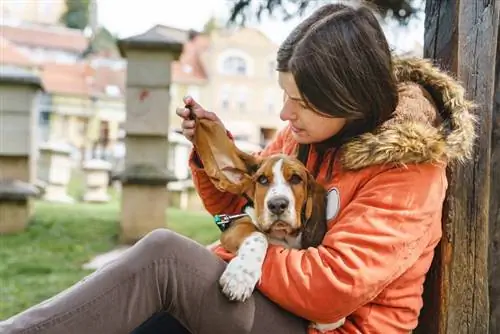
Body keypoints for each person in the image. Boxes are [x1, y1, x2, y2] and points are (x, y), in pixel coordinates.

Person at [0, 2, 475, 334]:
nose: (286, 114)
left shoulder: (408, 170)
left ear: (348, 100)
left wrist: (243, 251)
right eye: (284, 96)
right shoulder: (308, 137)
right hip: (278, 305)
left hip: (328, 327)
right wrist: (216, 154)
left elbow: (333, 288)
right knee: (144, 318)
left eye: (302, 102)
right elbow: (237, 211)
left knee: (165, 259)